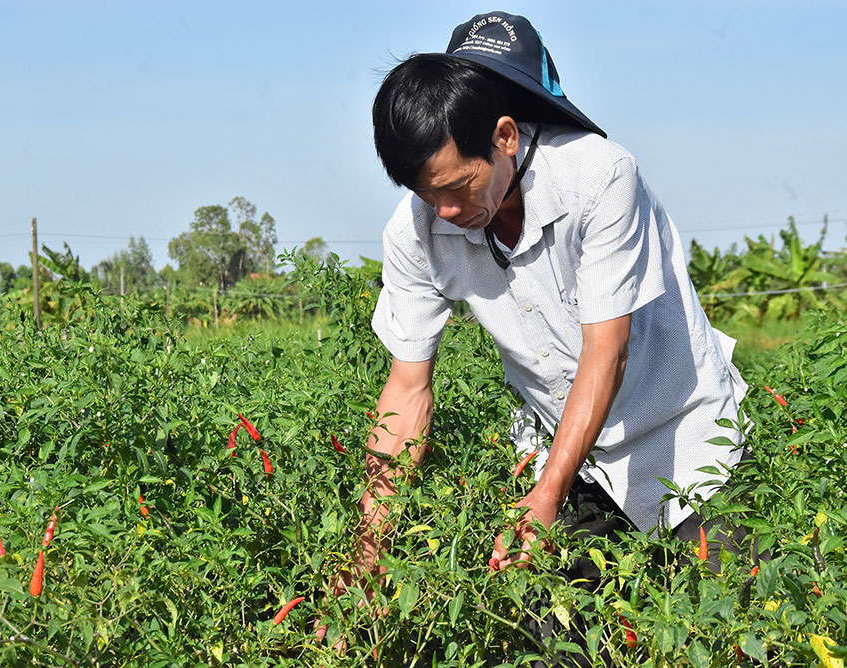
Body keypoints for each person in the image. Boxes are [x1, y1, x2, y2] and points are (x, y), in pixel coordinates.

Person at [317, 10, 749, 651]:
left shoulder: (599, 176)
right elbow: (406, 393)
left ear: (505, 137)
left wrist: (545, 494)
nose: (449, 213)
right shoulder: (416, 230)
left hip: (683, 438)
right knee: (551, 642)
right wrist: (367, 548)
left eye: (460, 188)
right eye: (427, 194)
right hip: (566, 448)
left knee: (727, 633)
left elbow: (607, 352)